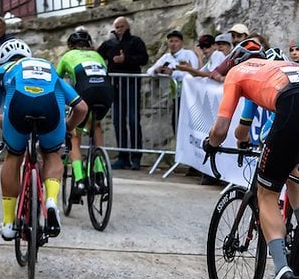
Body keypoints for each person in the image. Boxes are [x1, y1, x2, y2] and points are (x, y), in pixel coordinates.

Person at [203, 39, 299, 279]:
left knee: (267, 193)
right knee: (293, 174)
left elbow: (221, 128)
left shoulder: (237, 72)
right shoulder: (282, 65)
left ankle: (282, 272)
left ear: (234, 60)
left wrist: (211, 144)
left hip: (295, 108)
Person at [0, 39, 88, 240]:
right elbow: (81, 107)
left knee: (13, 157)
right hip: (51, 112)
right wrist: (67, 127)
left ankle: (8, 222)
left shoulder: (0, 72)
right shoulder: (48, 67)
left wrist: (6, 122)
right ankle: (51, 200)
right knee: (51, 154)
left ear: (1, 60)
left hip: (17, 111)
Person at [58, 29, 114, 197]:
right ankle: (99, 174)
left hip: (85, 91)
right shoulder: (97, 56)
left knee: (74, 133)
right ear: (89, 45)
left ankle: (80, 181)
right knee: (96, 125)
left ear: (70, 46)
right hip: (106, 92)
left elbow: (56, 80)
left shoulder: (68, 56)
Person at [98, 16, 149, 169]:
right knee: (118, 121)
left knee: (133, 120)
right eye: (116, 27)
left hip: (131, 85)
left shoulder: (135, 41)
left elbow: (144, 59)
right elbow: (97, 57)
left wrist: (125, 59)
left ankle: (136, 157)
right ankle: (123, 157)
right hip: (115, 86)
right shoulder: (108, 44)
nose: (118, 30)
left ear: (127, 27)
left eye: (121, 26)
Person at [147, 29, 198, 140]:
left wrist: (173, 73)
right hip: (175, 96)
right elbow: (149, 72)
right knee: (176, 123)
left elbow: (195, 72)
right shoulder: (166, 58)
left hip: (189, 95)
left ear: (181, 43)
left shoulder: (188, 54)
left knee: (188, 124)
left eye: (176, 41)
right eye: (171, 41)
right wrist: (157, 70)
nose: (173, 44)